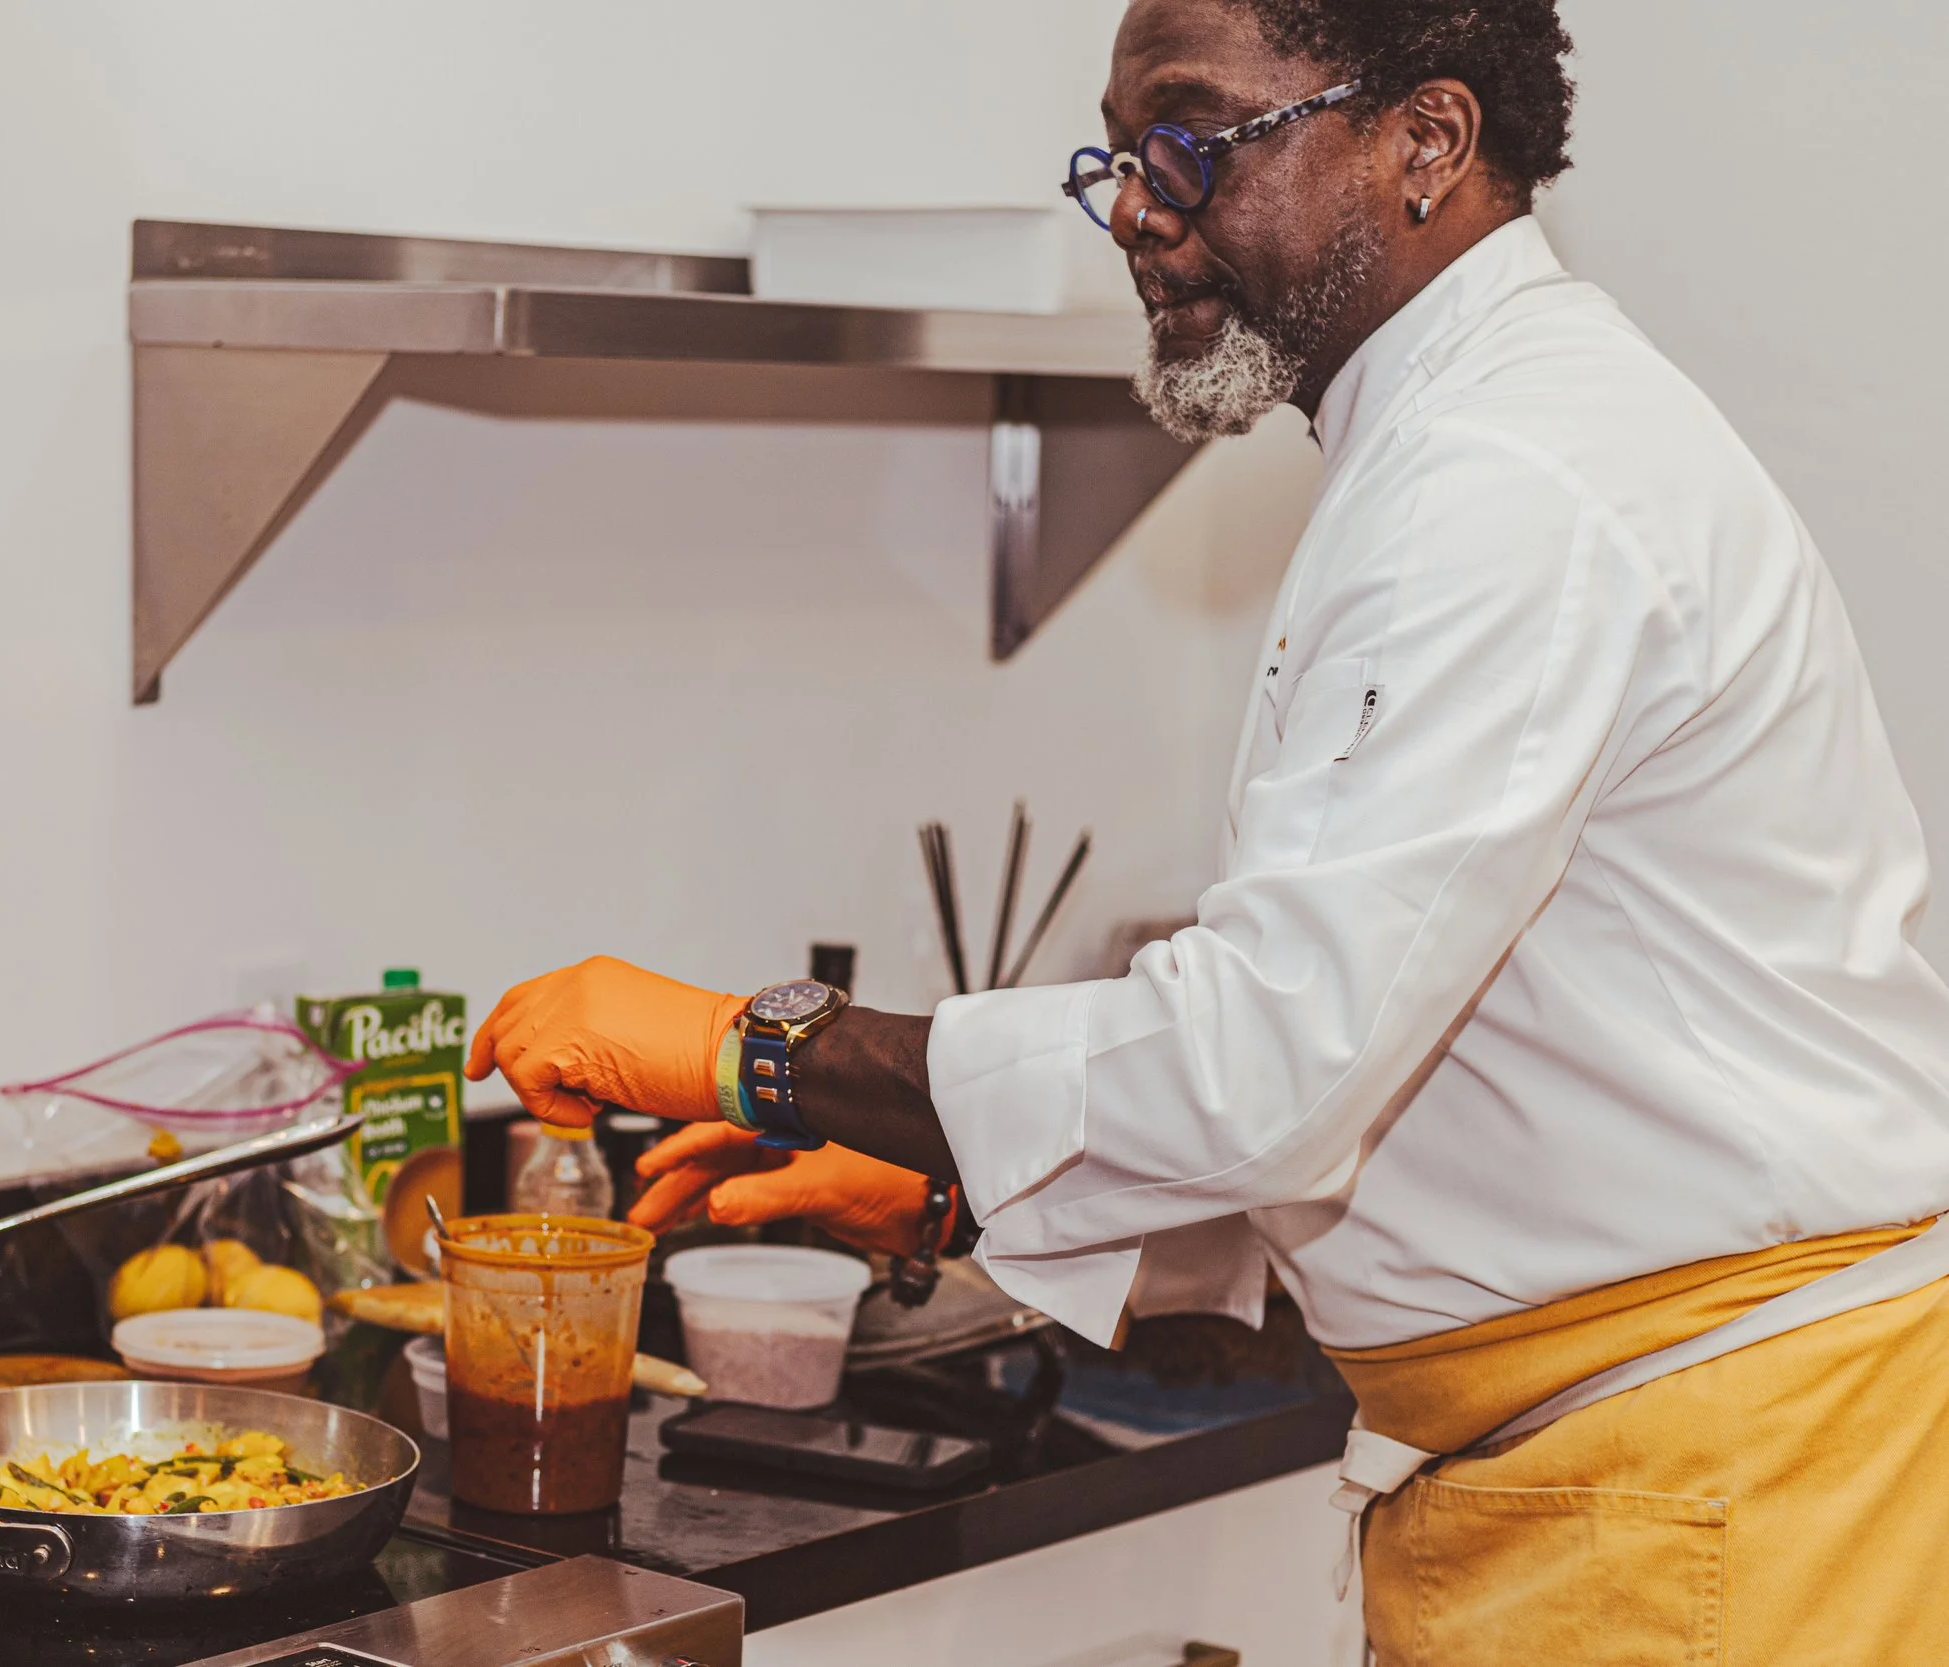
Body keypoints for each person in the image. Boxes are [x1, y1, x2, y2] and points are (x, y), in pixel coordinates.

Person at [468, 1, 1949, 1661]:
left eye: (1192, 137)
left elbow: (1266, 1062)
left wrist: (754, 1045)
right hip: (1637, 1450)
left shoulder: (1511, 481)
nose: (1133, 205)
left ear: (1427, 141)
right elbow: (1442, 1078)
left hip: (1714, 1489)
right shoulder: (1456, 443)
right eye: (1117, 151)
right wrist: (947, 1193)